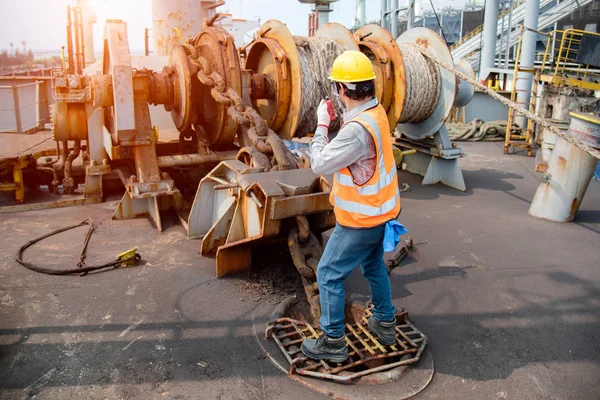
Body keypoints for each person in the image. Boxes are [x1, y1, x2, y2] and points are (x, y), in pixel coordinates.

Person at [300, 51, 401, 362]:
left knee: (328, 273)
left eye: (338, 88)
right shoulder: (376, 114)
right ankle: (385, 324)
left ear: (343, 90)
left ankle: (333, 342)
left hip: (359, 221)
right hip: (380, 214)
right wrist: (339, 120)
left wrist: (321, 124)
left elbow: (318, 162)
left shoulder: (356, 131)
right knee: (373, 267)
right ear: (369, 87)